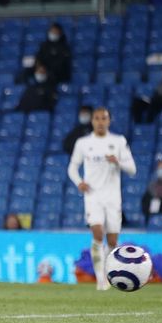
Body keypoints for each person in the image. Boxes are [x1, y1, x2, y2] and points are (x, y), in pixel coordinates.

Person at [68, 107, 136, 291]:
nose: (100, 121)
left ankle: (107, 272)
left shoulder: (118, 141)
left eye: (103, 118)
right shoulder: (83, 143)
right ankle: (100, 280)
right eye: (97, 118)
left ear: (109, 121)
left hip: (113, 197)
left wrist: (118, 162)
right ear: (92, 121)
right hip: (93, 195)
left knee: (113, 241)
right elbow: (72, 167)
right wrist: (79, 182)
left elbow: (132, 168)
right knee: (98, 233)